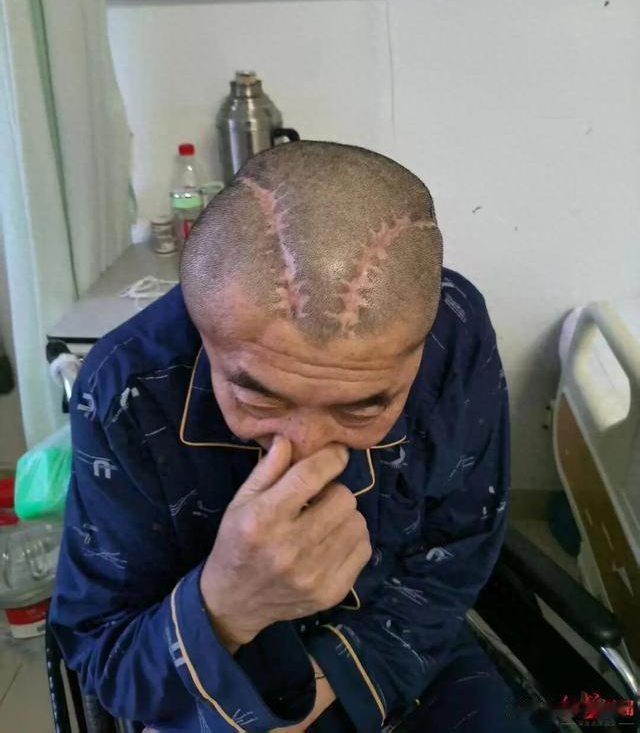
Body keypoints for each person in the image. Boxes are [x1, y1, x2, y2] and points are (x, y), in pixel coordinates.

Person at [50, 141, 532, 732]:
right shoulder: (129, 389)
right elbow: (106, 655)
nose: (305, 448)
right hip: (210, 678)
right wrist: (225, 601)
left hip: (401, 645)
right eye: (260, 398)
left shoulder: (452, 334)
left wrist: (321, 692)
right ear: (203, 336)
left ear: (417, 358)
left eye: (363, 406)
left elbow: (458, 552)